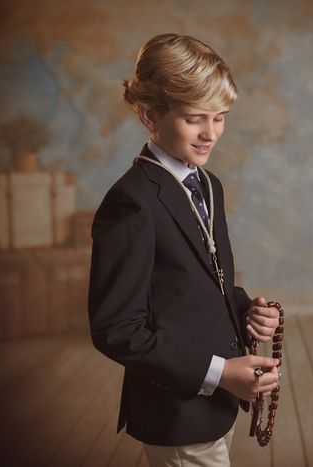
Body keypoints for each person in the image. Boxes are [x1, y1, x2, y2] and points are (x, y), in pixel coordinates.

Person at [88, 33, 280, 466]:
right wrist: (221, 373)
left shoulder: (209, 184)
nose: (210, 133)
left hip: (218, 405)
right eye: (195, 118)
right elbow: (116, 328)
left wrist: (246, 308)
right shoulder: (131, 202)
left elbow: (199, 283)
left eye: (220, 117)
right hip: (175, 411)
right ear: (149, 115)